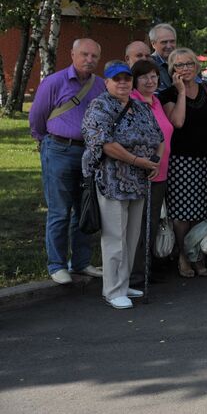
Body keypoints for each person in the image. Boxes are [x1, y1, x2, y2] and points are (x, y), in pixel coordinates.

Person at [81, 62, 163, 309]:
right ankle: (112, 289)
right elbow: (105, 144)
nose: (123, 83)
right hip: (111, 180)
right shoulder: (99, 106)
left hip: (138, 181)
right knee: (115, 236)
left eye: (127, 79)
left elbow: (159, 136)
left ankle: (123, 282)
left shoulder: (140, 106)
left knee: (131, 236)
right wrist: (139, 160)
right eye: (117, 79)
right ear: (106, 82)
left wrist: (155, 163)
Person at [29, 38, 106, 285]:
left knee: (83, 209)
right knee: (60, 211)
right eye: (84, 54)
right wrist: (46, 143)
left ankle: (81, 263)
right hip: (59, 150)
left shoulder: (101, 86)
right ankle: (57, 264)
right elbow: (37, 118)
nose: (89, 60)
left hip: (88, 154)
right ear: (72, 54)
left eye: (94, 56)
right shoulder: (54, 82)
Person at [158, 48, 207, 278]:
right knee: (182, 215)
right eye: (179, 65)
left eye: (189, 64)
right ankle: (183, 255)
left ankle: (197, 254)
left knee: (202, 213)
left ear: (196, 65)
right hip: (181, 162)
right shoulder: (168, 94)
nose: (185, 68)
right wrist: (181, 92)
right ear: (172, 70)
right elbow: (178, 122)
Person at [129, 60, 175, 286]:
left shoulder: (156, 100)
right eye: (145, 77)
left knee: (151, 224)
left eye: (154, 76)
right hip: (141, 172)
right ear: (135, 81)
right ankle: (135, 274)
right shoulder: (132, 102)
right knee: (137, 225)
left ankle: (145, 268)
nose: (150, 81)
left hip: (161, 171)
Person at [149, 23, 177, 91]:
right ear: (153, 44)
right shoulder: (148, 66)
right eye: (164, 42)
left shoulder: (183, 63)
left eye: (172, 41)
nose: (169, 46)